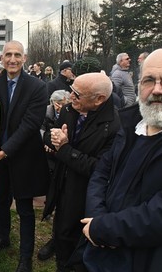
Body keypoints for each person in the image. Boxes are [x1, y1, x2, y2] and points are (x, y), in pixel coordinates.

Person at [82, 48, 162, 272]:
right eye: (148, 81)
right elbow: (102, 173)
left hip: (158, 260)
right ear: (138, 85)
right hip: (104, 253)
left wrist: (105, 229)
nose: (156, 90)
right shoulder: (129, 123)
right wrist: (97, 218)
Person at [0, 40, 49, 272]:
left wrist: (5, 151)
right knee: (0, 200)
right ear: (2, 58)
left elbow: (31, 125)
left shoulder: (37, 87)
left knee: (24, 207)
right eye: (8, 54)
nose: (12, 59)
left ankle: (25, 257)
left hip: (24, 156)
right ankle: (3, 238)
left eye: (17, 55)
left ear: (25, 58)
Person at [43, 73, 120, 272]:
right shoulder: (71, 109)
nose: (70, 97)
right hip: (62, 186)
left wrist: (65, 149)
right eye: (71, 90)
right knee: (62, 237)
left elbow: (100, 169)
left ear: (99, 99)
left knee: (82, 247)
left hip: (87, 196)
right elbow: (55, 134)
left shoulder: (114, 126)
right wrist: (52, 141)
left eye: (77, 94)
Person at [37, 89, 71, 262]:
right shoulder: (47, 111)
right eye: (57, 103)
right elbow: (41, 129)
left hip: (66, 157)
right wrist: (48, 142)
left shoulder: (70, 112)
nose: (59, 106)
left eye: (62, 103)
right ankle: (55, 237)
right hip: (51, 155)